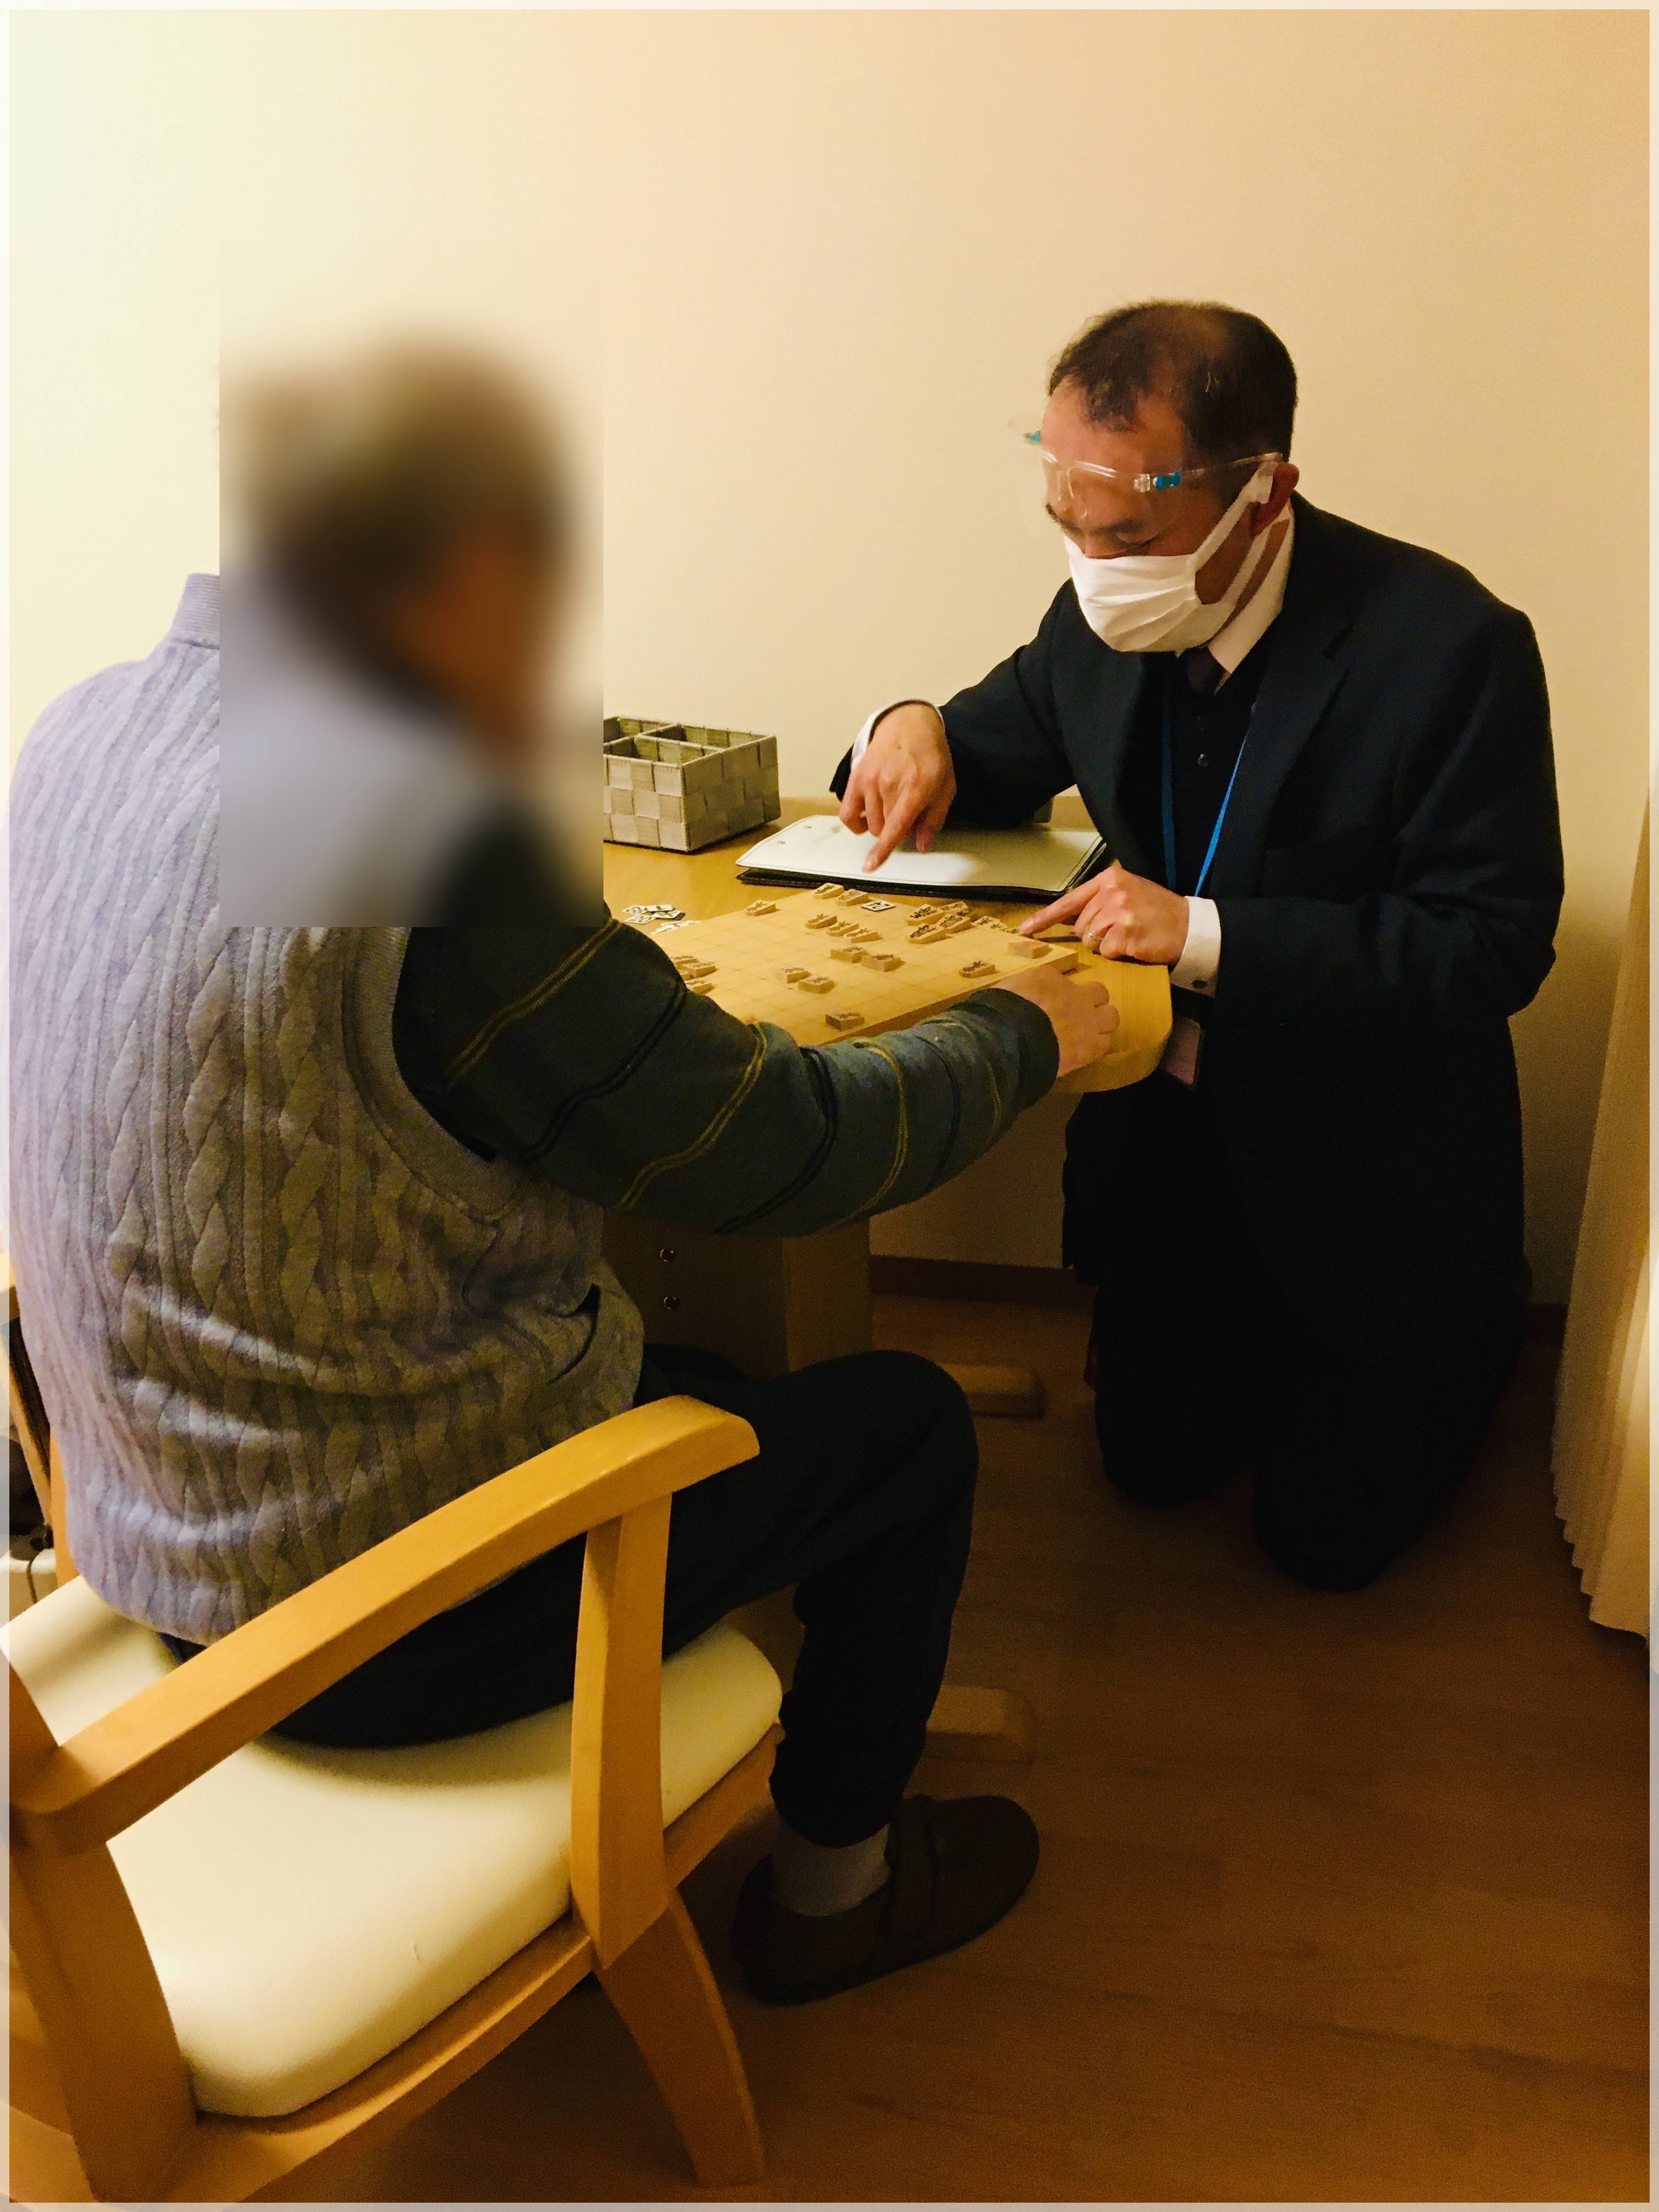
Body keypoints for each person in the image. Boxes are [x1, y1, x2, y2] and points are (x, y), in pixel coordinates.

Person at [5, 341, 1119, 2007]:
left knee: (707, 1369)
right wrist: (1026, 1033)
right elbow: (777, 1149)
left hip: (140, 1527)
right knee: (902, 1430)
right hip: (375, 1619)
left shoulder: (77, 731)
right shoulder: (426, 826)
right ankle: (837, 1888)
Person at [836, 300, 1564, 1593]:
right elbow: (971, 755)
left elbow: (1490, 945)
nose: (1094, 567)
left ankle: (1447, 1351)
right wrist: (906, 724)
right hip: (1169, 1145)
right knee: (1148, 1473)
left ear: (1264, 493)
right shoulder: (1104, 616)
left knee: (1322, 1548)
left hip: (1360, 1168)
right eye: (1068, 526)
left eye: (1129, 536)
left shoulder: (1450, 648)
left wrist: (1204, 932)